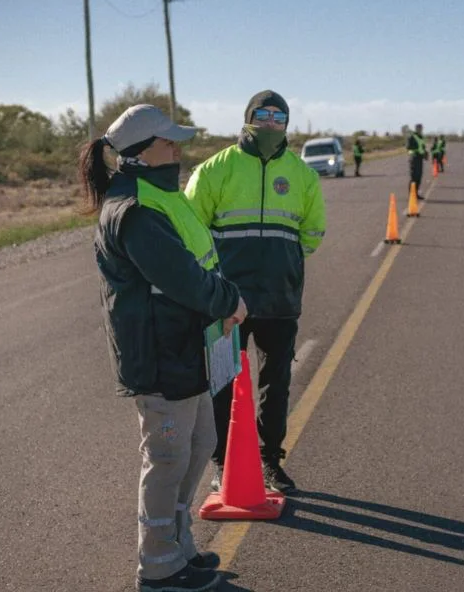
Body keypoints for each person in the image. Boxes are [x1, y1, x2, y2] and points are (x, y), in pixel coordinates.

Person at [83, 103, 247, 592]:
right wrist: (231, 301)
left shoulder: (163, 197)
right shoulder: (132, 212)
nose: (178, 148)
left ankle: (179, 545)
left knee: (201, 445)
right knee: (168, 456)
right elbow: (183, 279)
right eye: (168, 141)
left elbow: (199, 263)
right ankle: (157, 565)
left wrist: (221, 302)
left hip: (189, 348)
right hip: (160, 356)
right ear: (139, 154)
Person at [184, 90, 326, 495]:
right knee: (222, 382)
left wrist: (289, 264)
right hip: (226, 300)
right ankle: (222, 462)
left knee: (276, 382)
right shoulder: (214, 170)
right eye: (262, 114)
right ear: (248, 117)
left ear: (287, 123)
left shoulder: (303, 175)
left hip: (280, 299)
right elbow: (193, 232)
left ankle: (269, 461)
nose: (269, 122)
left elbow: (313, 232)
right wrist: (215, 283)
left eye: (278, 116)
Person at [406, 123, 428, 198]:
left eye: (421, 128)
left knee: (419, 177)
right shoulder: (412, 137)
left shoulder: (421, 137)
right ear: (416, 129)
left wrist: (425, 153)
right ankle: (411, 194)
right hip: (414, 159)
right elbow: (408, 149)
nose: (420, 130)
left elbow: (423, 147)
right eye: (419, 128)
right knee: (414, 177)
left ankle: (416, 194)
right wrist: (413, 154)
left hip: (420, 159)